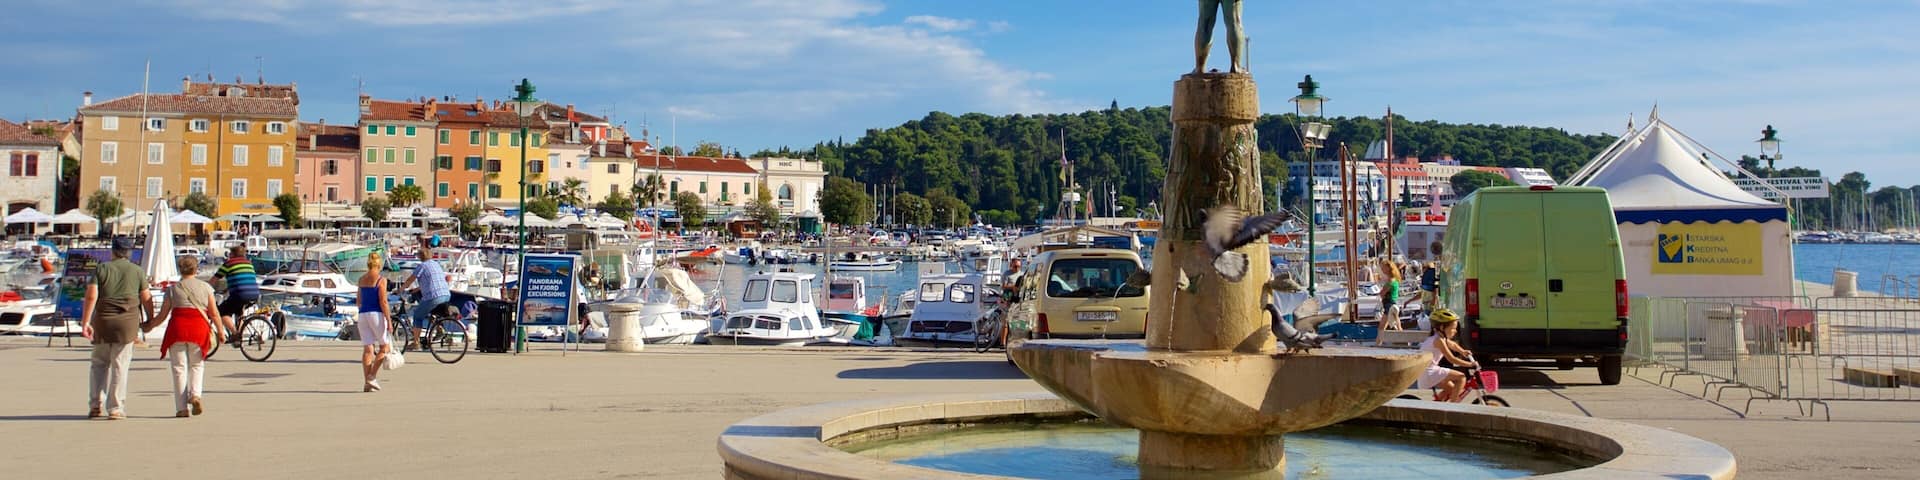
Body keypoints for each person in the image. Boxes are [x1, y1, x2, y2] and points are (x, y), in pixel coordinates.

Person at [81, 238, 155, 420]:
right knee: (120, 365)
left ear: (113, 251)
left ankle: (95, 404)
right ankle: (115, 408)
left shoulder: (101, 269)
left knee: (99, 363)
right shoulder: (137, 271)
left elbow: (91, 296)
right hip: (127, 323)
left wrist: (86, 322)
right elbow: (146, 298)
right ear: (129, 252)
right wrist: (150, 320)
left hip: (103, 321)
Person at [143, 256, 220, 418]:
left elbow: (163, 315)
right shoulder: (206, 287)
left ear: (180, 269)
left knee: (179, 368)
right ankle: (195, 395)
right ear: (196, 269)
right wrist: (221, 331)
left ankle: (181, 408)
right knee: (197, 365)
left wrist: (150, 326)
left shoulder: (172, 290)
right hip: (198, 329)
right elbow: (214, 313)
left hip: (177, 329)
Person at [398, 235, 453, 351]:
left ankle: (416, 342)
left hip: (434, 296)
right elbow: (430, 282)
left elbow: (409, 280)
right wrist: (416, 290)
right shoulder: (436, 264)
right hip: (446, 294)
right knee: (431, 311)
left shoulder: (422, 266)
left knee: (417, 315)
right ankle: (439, 329)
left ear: (420, 257)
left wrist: (400, 290)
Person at [1419, 310, 1480, 403]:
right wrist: (1470, 364)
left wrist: (1463, 351)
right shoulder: (1439, 340)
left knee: (1452, 390)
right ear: (1442, 327)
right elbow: (1452, 359)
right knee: (1461, 377)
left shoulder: (1439, 338)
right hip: (1429, 372)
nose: (1455, 331)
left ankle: (1434, 407)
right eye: (1453, 328)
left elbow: (1453, 345)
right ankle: (1452, 408)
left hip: (1427, 371)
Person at [211, 245, 260, 347]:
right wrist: (226, 290)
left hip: (240, 294)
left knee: (221, 312)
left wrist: (206, 290)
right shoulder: (249, 263)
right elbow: (242, 280)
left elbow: (214, 280)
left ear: (232, 254)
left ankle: (235, 334)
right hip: (255, 294)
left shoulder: (229, 264)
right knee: (239, 312)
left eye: (230, 253)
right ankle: (239, 335)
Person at [356, 253, 392, 392]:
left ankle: (367, 383)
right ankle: (372, 376)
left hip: (362, 314)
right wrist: (388, 319)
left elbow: (358, 301)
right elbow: (383, 301)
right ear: (379, 264)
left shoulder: (361, 279)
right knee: (384, 347)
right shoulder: (380, 280)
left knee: (368, 349)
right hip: (376, 314)